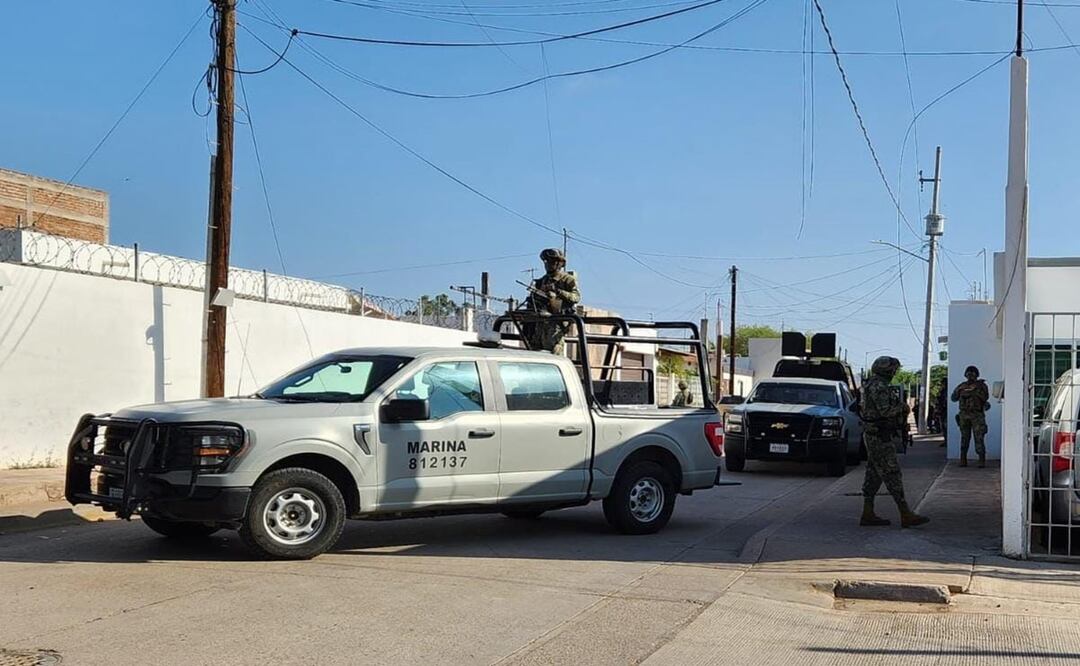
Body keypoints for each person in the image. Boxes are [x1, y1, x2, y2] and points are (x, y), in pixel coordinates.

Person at [859, 356, 930, 528]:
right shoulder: (879, 386)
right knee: (892, 473)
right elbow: (885, 411)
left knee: (874, 474)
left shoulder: (871, 384)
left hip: (875, 434)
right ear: (887, 369)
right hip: (879, 435)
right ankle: (905, 513)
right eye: (893, 369)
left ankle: (868, 512)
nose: (894, 372)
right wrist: (903, 408)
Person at [522, 248, 581, 354]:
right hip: (540, 323)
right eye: (546, 261)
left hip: (556, 323)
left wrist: (557, 291)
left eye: (552, 261)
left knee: (555, 354)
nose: (548, 264)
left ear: (559, 263)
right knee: (535, 354)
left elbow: (576, 297)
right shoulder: (542, 280)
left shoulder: (567, 280)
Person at [951, 365, 990, 468]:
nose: (970, 376)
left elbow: (985, 398)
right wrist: (960, 390)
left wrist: (975, 391)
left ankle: (981, 460)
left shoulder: (981, 386)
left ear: (976, 375)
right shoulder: (961, 386)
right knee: (964, 438)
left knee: (979, 438)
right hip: (964, 415)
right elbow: (953, 398)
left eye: (973, 374)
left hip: (977, 415)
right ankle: (963, 459)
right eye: (968, 374)